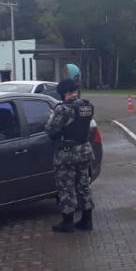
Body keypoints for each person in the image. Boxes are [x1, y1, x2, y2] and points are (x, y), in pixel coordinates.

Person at [46, 78, 96, 232]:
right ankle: (87, 220)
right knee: (84, 186)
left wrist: (50, 118)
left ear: (64, 93)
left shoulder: (63, 109)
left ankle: (67, 222)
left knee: (66, 188)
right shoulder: (87, 105)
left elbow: (51, 130)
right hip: (84, 151)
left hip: (67, 155)